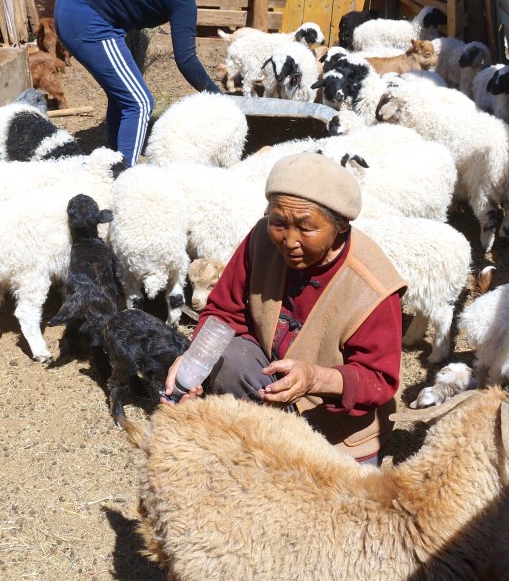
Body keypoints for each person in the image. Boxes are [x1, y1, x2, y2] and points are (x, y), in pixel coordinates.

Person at [164, 153, 407, 465]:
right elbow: (225, 312)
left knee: (336, 500)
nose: (289, 240)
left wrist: (314, 379)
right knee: (230, 356)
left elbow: (378, 379)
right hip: (272, 384)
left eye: (306, 228)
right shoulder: (261, 241)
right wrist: (194, 360)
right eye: (279, 223)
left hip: (337, 424)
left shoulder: (372, 287)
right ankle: (260, 441)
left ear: (340, 227)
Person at [54, 0, 222, 166]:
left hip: (70, 2)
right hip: (87, 17)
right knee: (141, 102)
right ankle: (125, 178)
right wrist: (217, 97)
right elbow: (186, 59)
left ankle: (115, 157)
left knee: (124, 94)